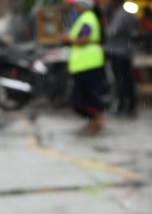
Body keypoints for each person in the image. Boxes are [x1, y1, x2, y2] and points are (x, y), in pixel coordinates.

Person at [64, 0, 105, 134]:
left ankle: (97, 120)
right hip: (83, 64)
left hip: (88, 63)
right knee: (83, 96)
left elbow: (84, 39)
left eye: (76, 5)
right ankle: (94, 120)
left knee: (87, 95)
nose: (74, 8)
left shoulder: (87, 19)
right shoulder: (85, 19)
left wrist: (69, 40)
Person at [103, 0, 137, 116]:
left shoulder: (120, 14)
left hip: (118, 51)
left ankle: (123, 106)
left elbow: (111, 31)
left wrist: (105, 26)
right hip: (126, 51)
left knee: (121, 80)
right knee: (127, 79)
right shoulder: (128, 13)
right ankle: (130, 105)